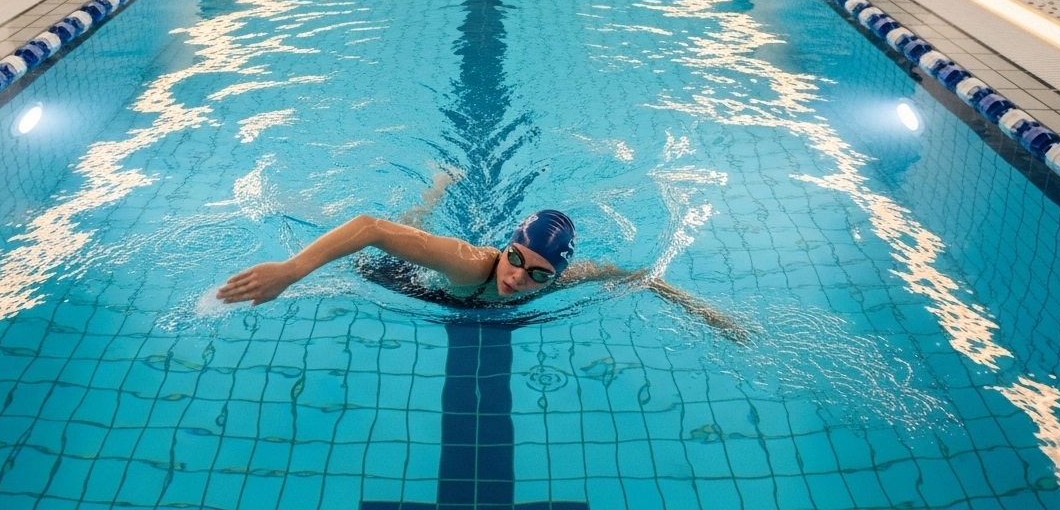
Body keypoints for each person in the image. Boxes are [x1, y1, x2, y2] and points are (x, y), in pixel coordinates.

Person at [216, 174, 747, 342]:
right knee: (408, 226)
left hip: (452, 296)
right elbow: (369, 228)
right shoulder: (473, 263)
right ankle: (433, 189)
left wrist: (701, 309)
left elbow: (635, 276)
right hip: (399, 278)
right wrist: (289, 271)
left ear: (554, 275)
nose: (518, 277)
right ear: (507, 246)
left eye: (539, 273)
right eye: (515, 258)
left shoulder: (559, 282)